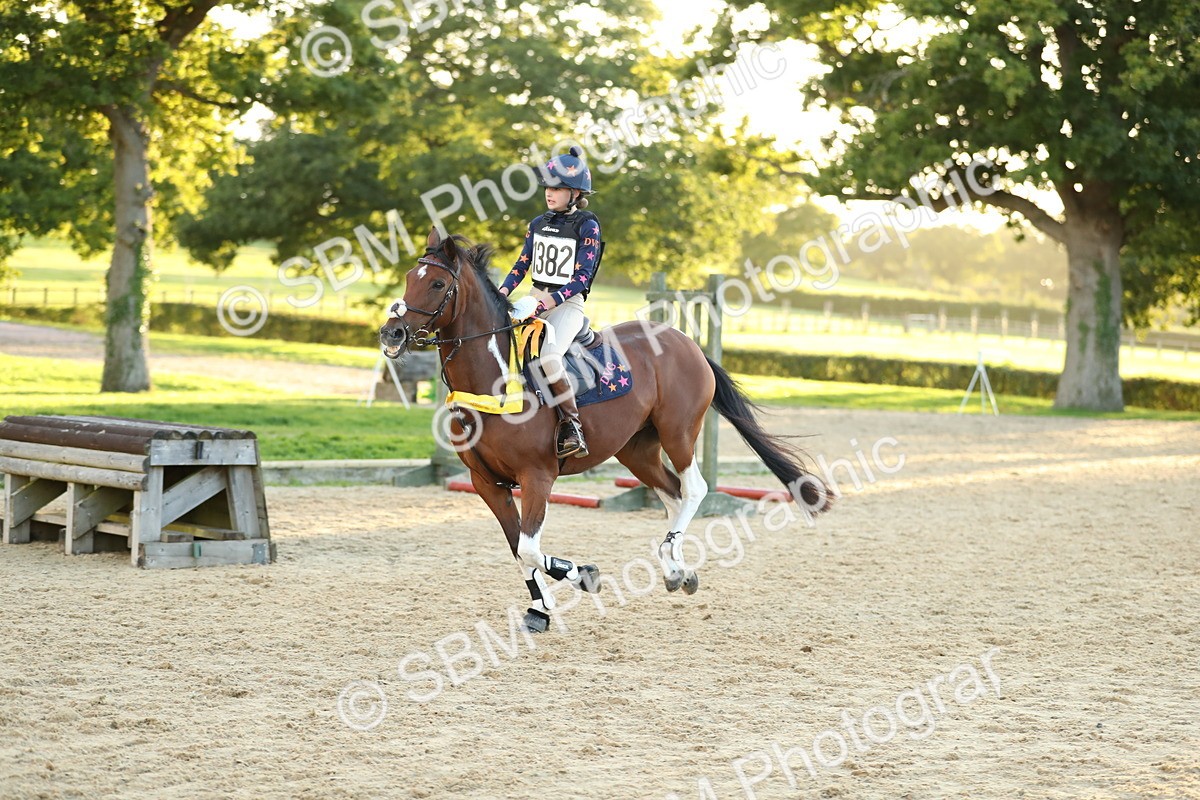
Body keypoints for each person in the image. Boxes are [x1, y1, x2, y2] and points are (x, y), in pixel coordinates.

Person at [500, 146, 602, 458]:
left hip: (567, 304)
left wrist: (547, 302)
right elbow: (521, 265)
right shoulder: (537, 223)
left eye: (557, 188)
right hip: (533, 299)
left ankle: (573, 426)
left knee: (548, 358)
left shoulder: (587, 224)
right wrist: (501, 293)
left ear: (575, 193)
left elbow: (582, 277)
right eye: (547, 187)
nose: (549, 193)